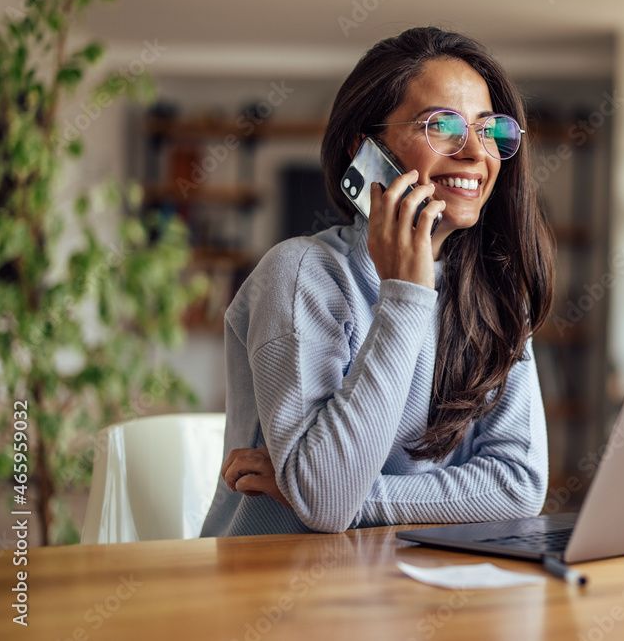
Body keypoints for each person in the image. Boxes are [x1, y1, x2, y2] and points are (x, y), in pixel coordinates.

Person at [200, 27, 555, 537]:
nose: (476, 153)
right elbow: (324, 502)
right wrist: (406, 298)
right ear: (365, 149)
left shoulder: (495, 297)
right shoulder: (300, 275)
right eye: (443, 126)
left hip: (406, 585)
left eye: (490, 130)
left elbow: (518, 485)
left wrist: (349, 495)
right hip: (271, 589)